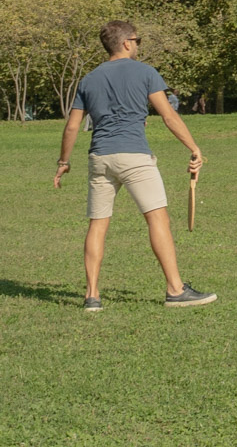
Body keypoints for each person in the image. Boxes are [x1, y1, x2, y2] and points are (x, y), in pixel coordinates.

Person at [52, 20, 216, 310]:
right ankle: (176, 291)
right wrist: (194, 148)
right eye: (137, 40)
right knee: (157, 218)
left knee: (98, 225)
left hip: (99, 157)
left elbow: (72, 127)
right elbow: (168, 116)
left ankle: (92, 296)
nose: (138, 44)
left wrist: (64, 162)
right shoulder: (146, 73)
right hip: (134, 156)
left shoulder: (89, 79)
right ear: (127, 42)